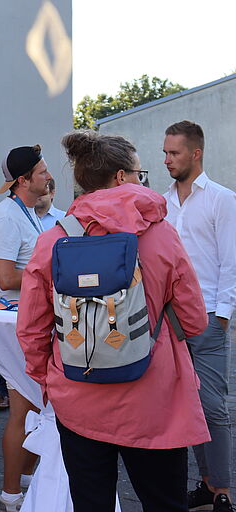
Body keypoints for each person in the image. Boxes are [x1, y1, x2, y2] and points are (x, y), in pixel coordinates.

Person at [17, 130, 210, 512]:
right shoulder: (161, 235)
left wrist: (49, 380)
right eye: (139, 173)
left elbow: (31, 329)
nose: (142, 180)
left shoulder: (54, 239)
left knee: (91, 503)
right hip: (155, 399)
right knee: (165, 502)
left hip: (78, 395)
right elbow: (194, 321)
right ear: (121, 176)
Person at [162, 120, 236, 512]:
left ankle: (222, 490)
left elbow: (231, 262)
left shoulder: (222, 199)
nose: (167, 160)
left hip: (207, 317)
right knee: (182, 407)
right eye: (164, 153)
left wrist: (222, 315)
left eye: (174, 153)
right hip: (167, 320)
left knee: (212, 406)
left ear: (196, 153)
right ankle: (206, 485)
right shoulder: (161, 202)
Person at [0, 145, 51, 511]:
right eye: (42, 171)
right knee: (22, 411)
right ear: (23, 180)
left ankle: (24, 484)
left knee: (34, 409)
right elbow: (6, 276)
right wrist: (53, 275)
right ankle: (11, 495)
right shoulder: (6, 216)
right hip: (18, 323)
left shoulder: (26, 212)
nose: (48, 176)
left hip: (31, 321)